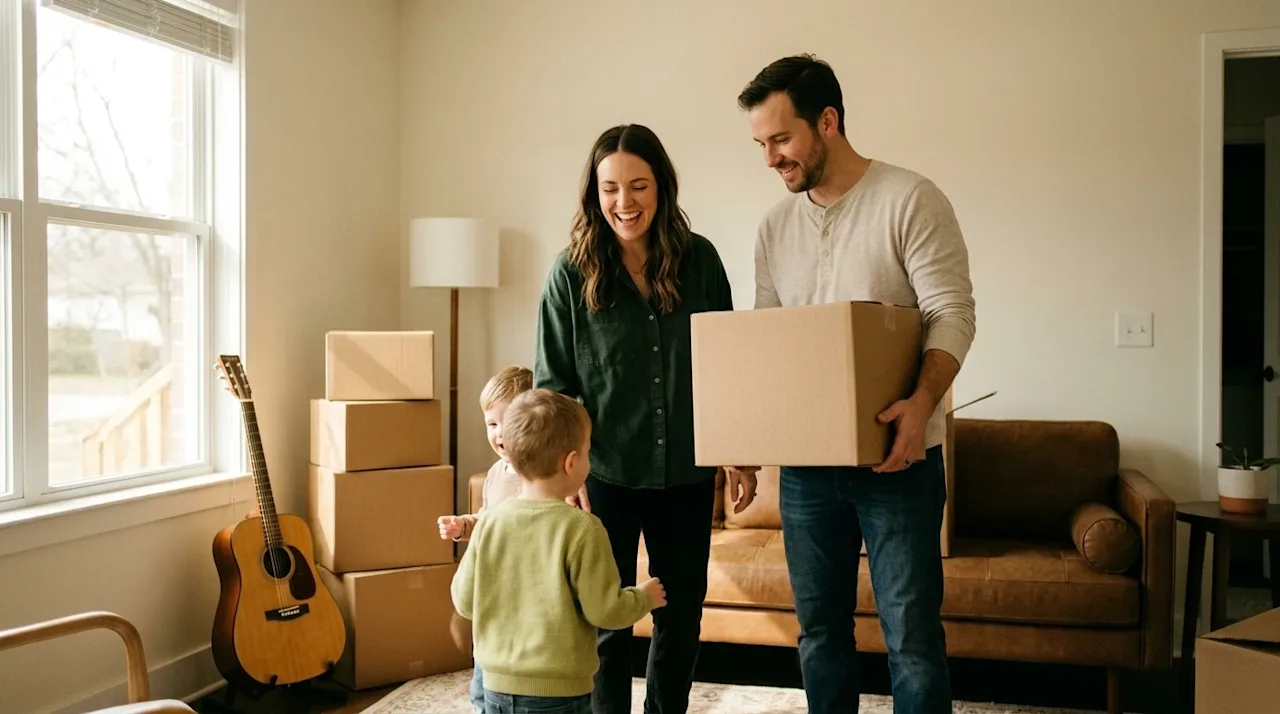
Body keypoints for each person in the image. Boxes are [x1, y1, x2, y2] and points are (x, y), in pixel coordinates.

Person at [735, 54, 976, 714]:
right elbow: (769, 344)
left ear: (828, 122)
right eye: (760, 145)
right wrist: (748, 440)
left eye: (781, 139)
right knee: (819, 635)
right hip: (806, 472)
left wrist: (921, 404)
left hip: (899, 460)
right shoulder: (774, 227)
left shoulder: (910, 199)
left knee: (913, 641)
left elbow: (952, 312)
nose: (770, 159)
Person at [533, 123, 757, 714]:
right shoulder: (569, 275)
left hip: (686, 473)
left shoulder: (700, 261)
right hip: (603, 476)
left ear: (661, 187)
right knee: (604, 620)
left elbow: (728, 363)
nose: (624, 202)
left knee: (680, 615)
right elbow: (554, 388)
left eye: (638, 186)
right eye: (610, 188)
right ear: (594, 192)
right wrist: (564, 475)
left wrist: (738, 453)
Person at [450, 388, 667, 714]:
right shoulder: (583, 528)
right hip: (558, 694)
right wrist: (644, 598)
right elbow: (605, 611)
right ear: (571, 462)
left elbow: (464, 600)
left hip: (495, 688)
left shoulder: (490, 523)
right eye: (588, 452)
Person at [438, 365, 533, 713]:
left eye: (509, 423)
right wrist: (464, 526)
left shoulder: (538, 475)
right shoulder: (495, 474)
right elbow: (487, 517)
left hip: (525, 588)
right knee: (483, 677)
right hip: (492, 591)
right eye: (492, 424)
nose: (499, 433)